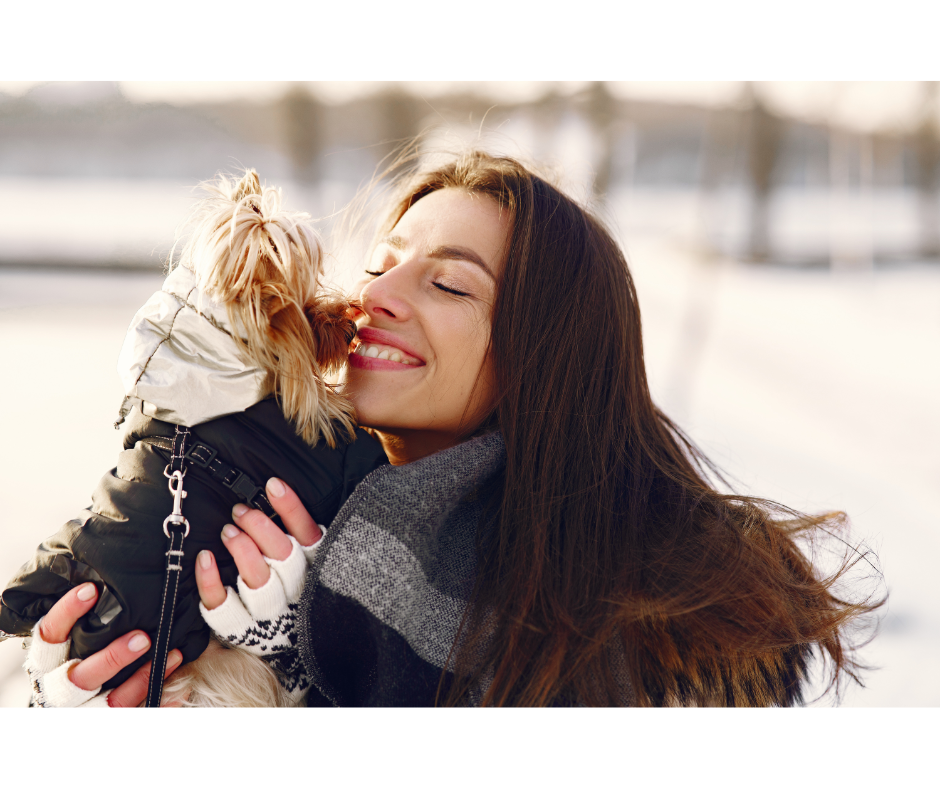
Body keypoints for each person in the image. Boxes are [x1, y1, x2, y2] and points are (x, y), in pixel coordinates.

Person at [23, 149, 884, 707]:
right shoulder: (263, 491)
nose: (374, 298)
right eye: (382, 262)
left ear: (545, 356)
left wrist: (304, 674)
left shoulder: (642, 621)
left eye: (449, 285)